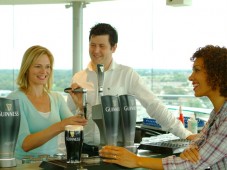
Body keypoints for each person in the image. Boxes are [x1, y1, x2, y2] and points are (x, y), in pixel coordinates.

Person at [67, 23, 194, 153]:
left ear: (114, 47)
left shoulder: (127, 74)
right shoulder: (79, 78)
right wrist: (79, 108)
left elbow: (154, 105)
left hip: (117, 151)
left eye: (102, 46)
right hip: (85, 150)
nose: (96, 51)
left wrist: (185, 134)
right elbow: (67, 118)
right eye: (92, 45)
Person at [99, 45, 227, 170]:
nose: (190, 77)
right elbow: (198, 144)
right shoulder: (217, 113)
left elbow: (192, 164)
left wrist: (136, 160)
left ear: (216, 74)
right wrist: (191, 148)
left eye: (197, 70)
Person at [7, 45, 87, 160]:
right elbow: (25, 144)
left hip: (51, 164)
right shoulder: (14, 99)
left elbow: (77, 127)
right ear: (27, 68)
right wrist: (60, 125)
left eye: (48, 67)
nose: (44, 71)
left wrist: (80, 106)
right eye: (38, 66)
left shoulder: (56, 98)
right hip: (24, 166)